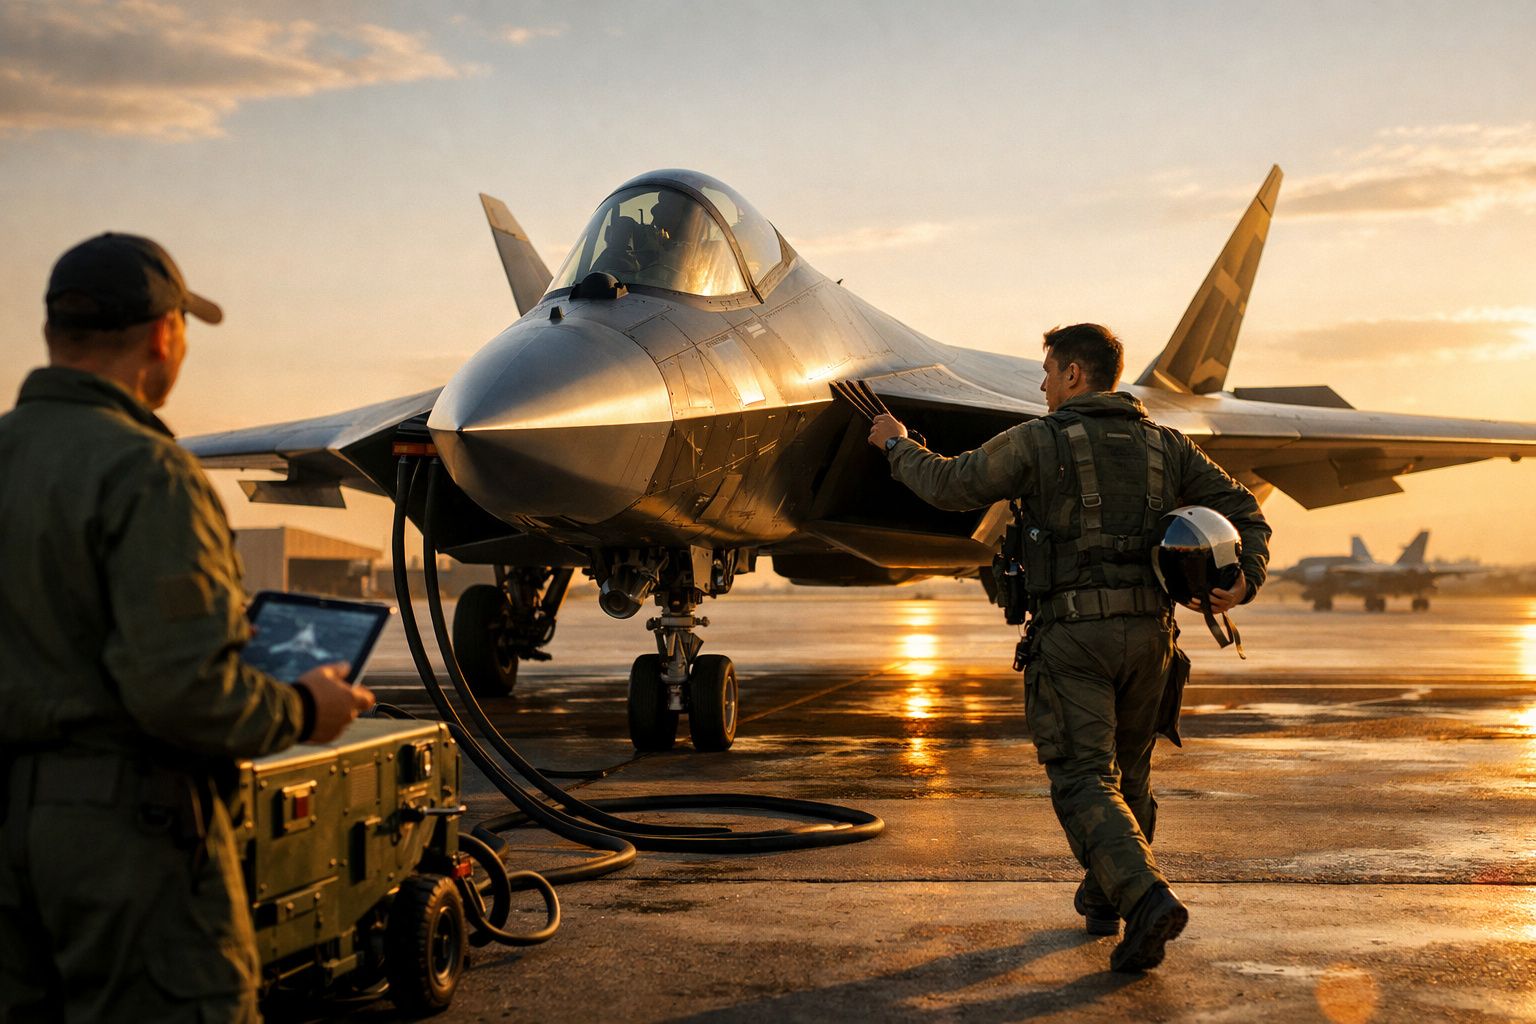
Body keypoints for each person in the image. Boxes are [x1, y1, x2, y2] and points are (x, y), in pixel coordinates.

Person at [0, 233, 376, 1022]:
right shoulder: (146, 471)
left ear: (51, 333)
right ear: (164, 335)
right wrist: (306, 708)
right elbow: (184, 693)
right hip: (123, 850)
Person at [868, 323, 1270, 973]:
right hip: (1151, 640)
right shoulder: (1169, 447)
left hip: (1074, 639)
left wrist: (897, 446)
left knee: (1084, 778)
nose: (1043, 383)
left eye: (1049, 371)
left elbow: (949, 487)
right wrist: (1244, 578)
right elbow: (1244, 509)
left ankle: (1143, 898)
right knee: (1130, 774)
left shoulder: (1037, 442)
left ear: (1075, 375)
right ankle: (1105, 894)